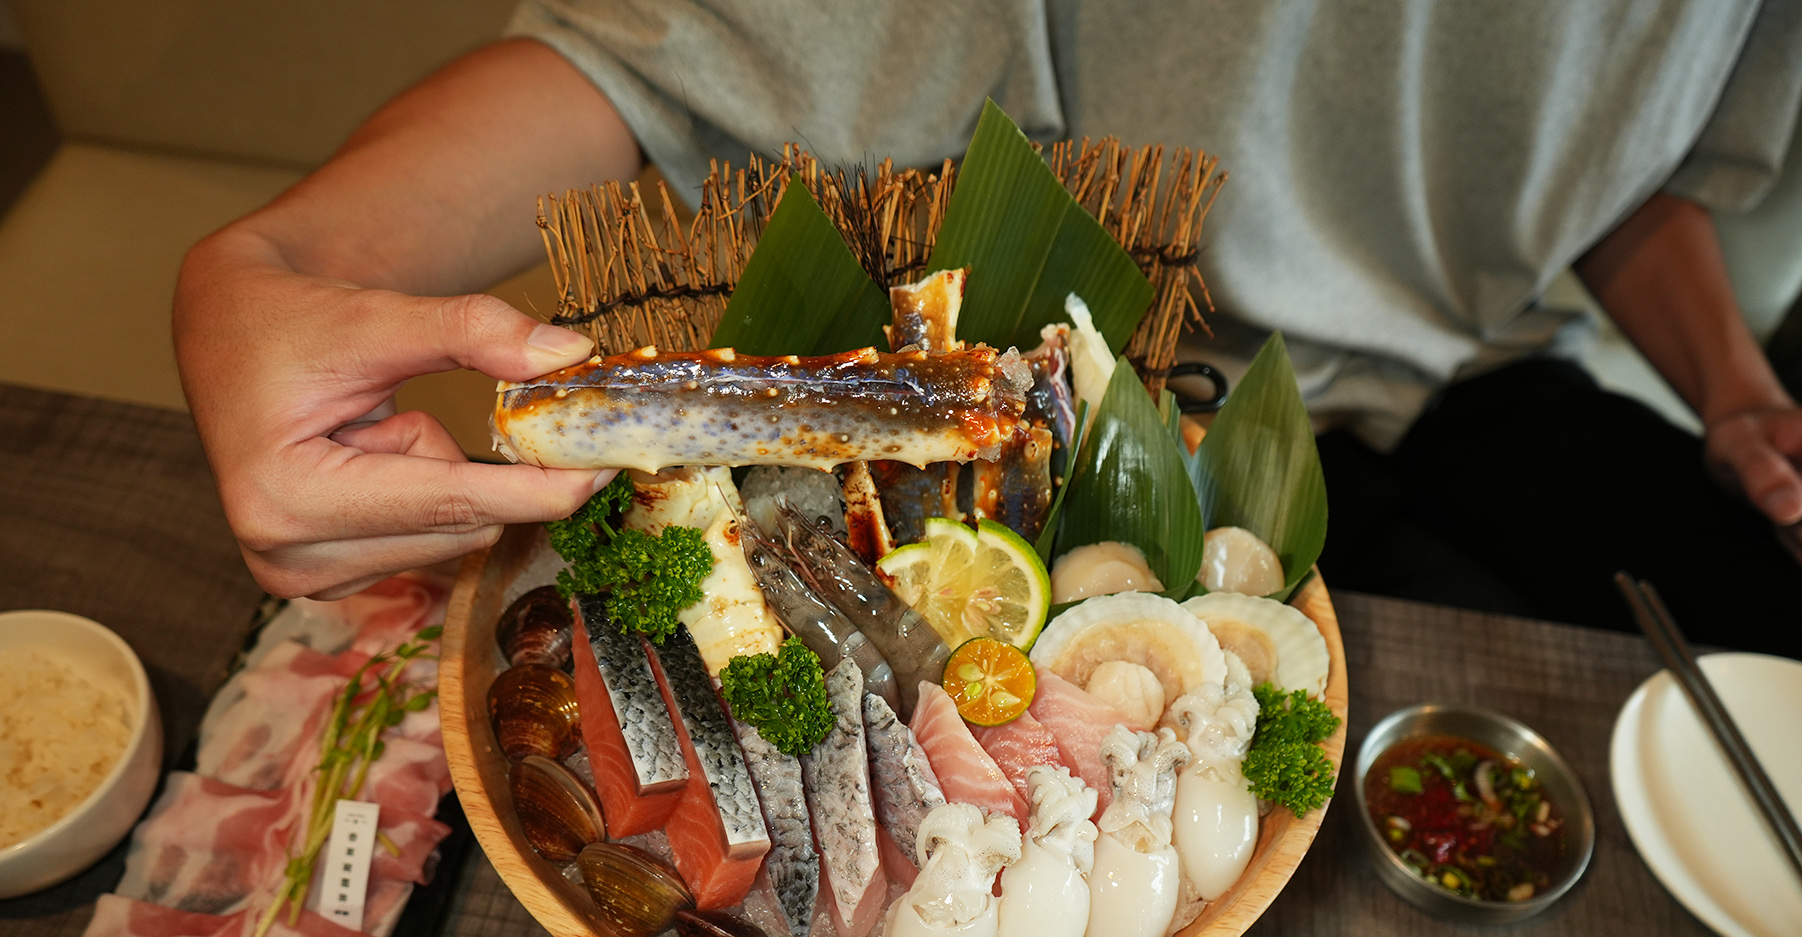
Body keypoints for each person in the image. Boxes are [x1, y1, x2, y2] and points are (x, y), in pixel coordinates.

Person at [174, 1, 1802, 654]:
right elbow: (656, 51)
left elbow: (1599, 158)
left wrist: (1731, 388)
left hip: (1489, 376)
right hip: (1116, 358)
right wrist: (273, 255)